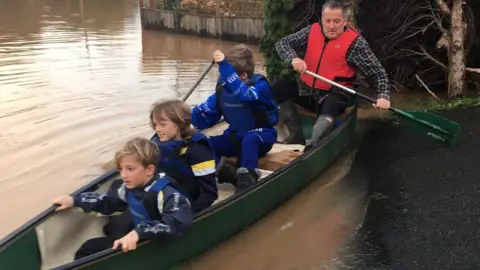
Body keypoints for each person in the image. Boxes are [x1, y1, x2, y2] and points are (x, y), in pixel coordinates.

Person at [273, 0, 391, 150]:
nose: (331, 26)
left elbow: (378, 73)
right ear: (321, 20)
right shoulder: (311, 31)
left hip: (335, 94)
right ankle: (296, 135)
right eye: (327, 21)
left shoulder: (356, 44)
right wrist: (293, 58)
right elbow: (282, 43)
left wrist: (383, 96)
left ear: (345, 21)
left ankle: (312, 145)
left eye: (336, 21)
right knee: (279, 87)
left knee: (332, 104)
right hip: (308, 91)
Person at [52, 137, 193, 259]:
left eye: (130, 169)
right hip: (139, 232)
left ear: (149, 170)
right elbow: (108, 202)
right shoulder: (127, 187)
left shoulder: (168, 194)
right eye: (121, 169)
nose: (123, 175)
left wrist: (138, 233)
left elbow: (176, 223)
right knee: (105, 232)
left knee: (89, 249)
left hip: (155, 240)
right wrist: (75, 200)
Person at [191, 44, 279, 194]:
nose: (221, 79)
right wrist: (180, 122)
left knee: (249, 139)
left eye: (226, 76)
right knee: (200, 146)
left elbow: (244, 95)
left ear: (243, 76)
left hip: (261, 135)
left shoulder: (260, 87)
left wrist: (224, 66)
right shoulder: (224, 89)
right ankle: (228, 173)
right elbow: (202, 115)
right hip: (235, 136)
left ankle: (248, 178)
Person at [149, 99, 218, 213]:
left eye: (163, 125)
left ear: (179, 124)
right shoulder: (158, 143)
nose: (157, 129)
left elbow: (209, 194)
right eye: (155, 124)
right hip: (166, 193)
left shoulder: (198, 150)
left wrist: (185, 213)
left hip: (185, 202)